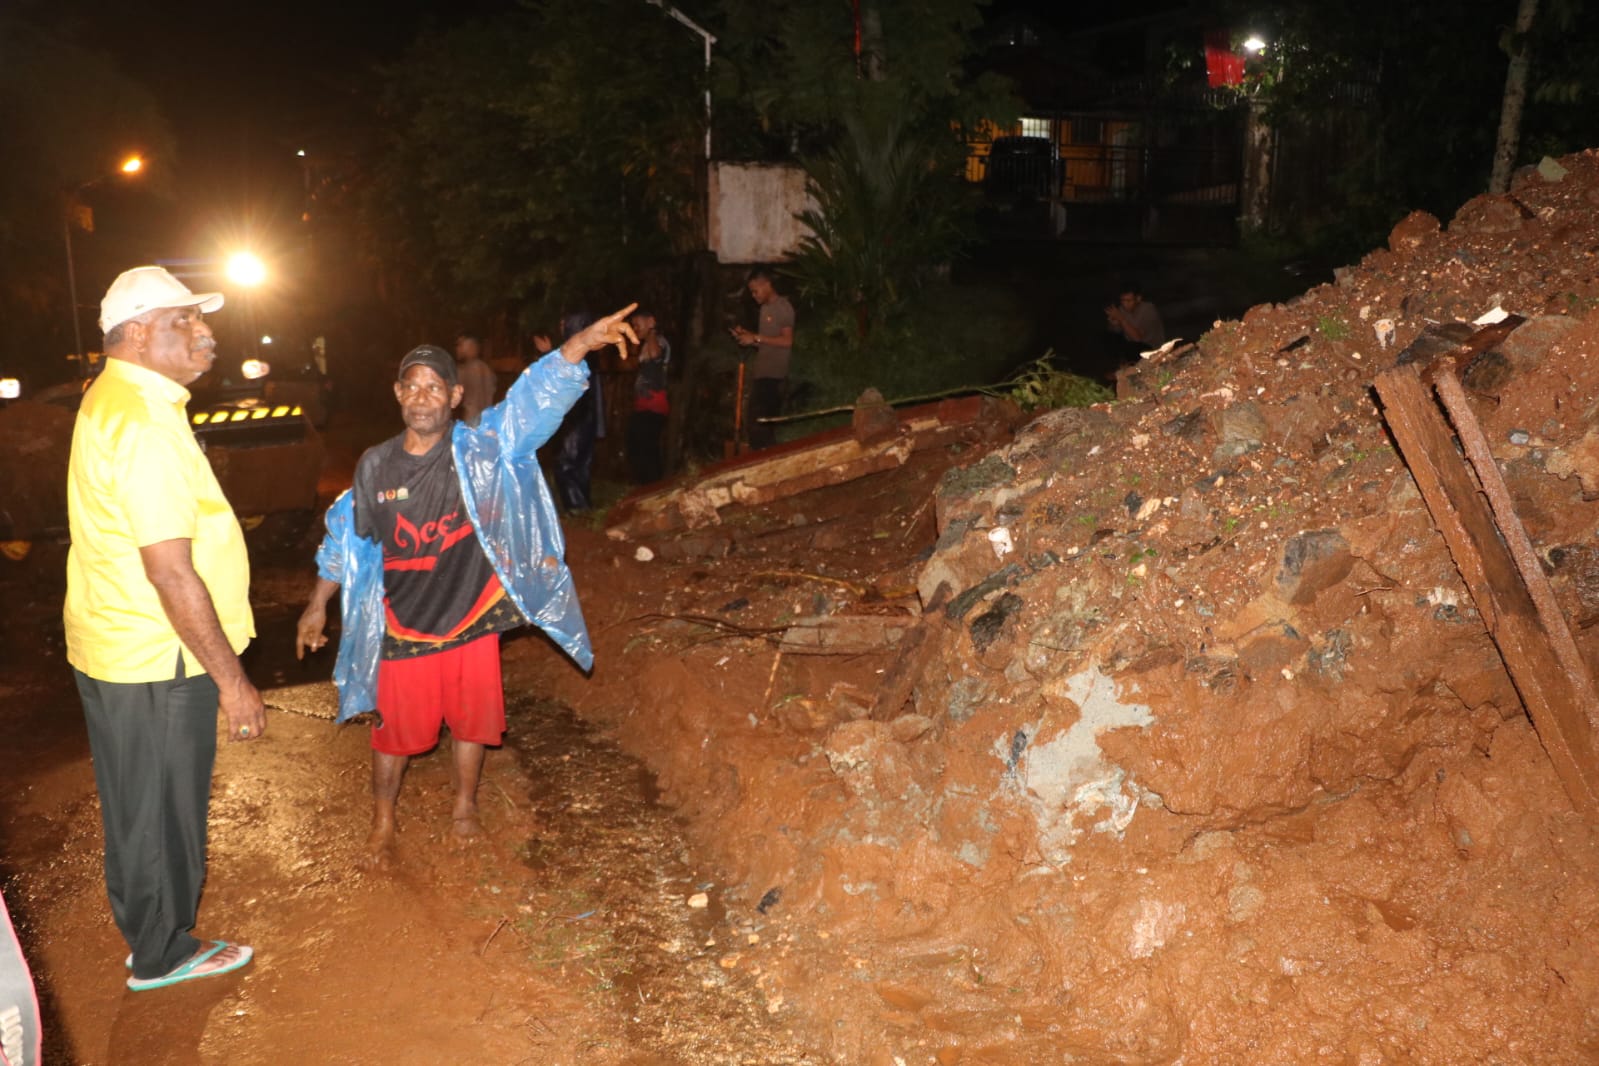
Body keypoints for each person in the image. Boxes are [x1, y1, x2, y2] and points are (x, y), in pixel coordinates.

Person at [295, 306, 637, 869]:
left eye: (435, 387)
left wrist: (577, 346)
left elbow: (532, 403)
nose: (422, 397)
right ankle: (382, 824)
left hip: (472, 616)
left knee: (472, 722)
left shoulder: (483, 449)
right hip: (403, 624)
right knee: (392, 735)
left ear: (454, 397)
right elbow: (345, 540)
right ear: (397, 393)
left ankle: (464, 807)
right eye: (412, 386)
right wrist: (316, 606)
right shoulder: (375, 466)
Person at [64, 266, 262, 991]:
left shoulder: (117, 398)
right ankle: (163, 951)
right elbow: (171, 572)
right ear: (140, 333)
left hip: (117, 642)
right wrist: (232, 682)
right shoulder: (144, 421)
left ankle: (146, 930)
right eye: (187, 321)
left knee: (136, 801)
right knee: (162, 807)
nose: (205, 333)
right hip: (157, 654)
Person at [536, 312, 603, 511]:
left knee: (567, 463)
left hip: (576, 417)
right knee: (579, 464)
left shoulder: (579, 352)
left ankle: (577, 509)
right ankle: (582, 507)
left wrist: (547, 353)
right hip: (583, 416)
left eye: (564, 325)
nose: (560, 328)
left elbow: (563, 375)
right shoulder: (588, 350)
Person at [732, 267, 795, 450]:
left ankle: (769, 458)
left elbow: (787, 341)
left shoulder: (783, 307)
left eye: (755, 290)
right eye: (751, 292)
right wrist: (748, 336)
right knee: (755, 425)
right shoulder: (765, 309)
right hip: (762, 375)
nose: (753, 295)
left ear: (767, 284)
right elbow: (768, 343)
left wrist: (756, 338)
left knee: (760, 426)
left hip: (773, 377)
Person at [625, 308, 670, 484]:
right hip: (643, 405)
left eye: (638, 324)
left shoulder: (659, 341)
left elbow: (656, 355)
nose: (635, 329)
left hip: (655, 406)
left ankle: (653, 486)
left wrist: (651, 331)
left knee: (647, 448)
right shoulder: (644, 344)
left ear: (651, 321)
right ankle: (644, 485)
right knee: (636, 445)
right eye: (633, 326)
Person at [1104, 281, 1166, 368]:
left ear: (1138, 299)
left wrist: (1121, 319)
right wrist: (1114, 323)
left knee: (1132, 347)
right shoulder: (1122, 310)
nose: (1125, 304)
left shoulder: (1148, 309)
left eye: (1128, 301)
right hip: (1133, 348)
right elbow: (1116, 332)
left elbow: (1137, 338)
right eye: (1122, 300)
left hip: (1152, 348)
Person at [453, 331, 497, 427]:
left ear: (470, 346)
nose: (457, 349)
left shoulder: (469, 369)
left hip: (472, 422)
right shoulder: (485, 368)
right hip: (487, 421)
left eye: (460, 345)